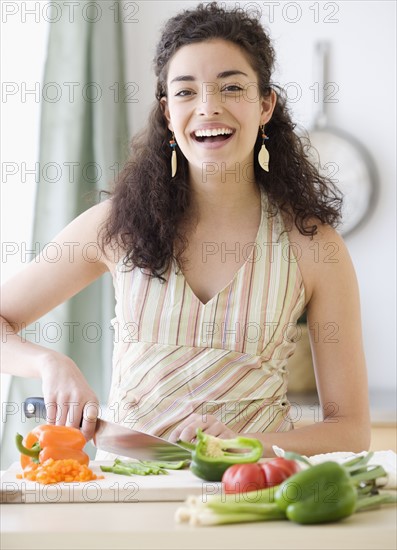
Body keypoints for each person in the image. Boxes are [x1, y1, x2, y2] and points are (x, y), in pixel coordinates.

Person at [1, 3, 370, 457]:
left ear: (265, 105)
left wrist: (247, 444)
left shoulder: (313, 246)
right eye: (186, 92)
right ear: (167, 112)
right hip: (130, 498)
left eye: (232, 87)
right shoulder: (117, 226)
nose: (209, 107)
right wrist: (47, 362)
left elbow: (350, 429)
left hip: (249, 492)